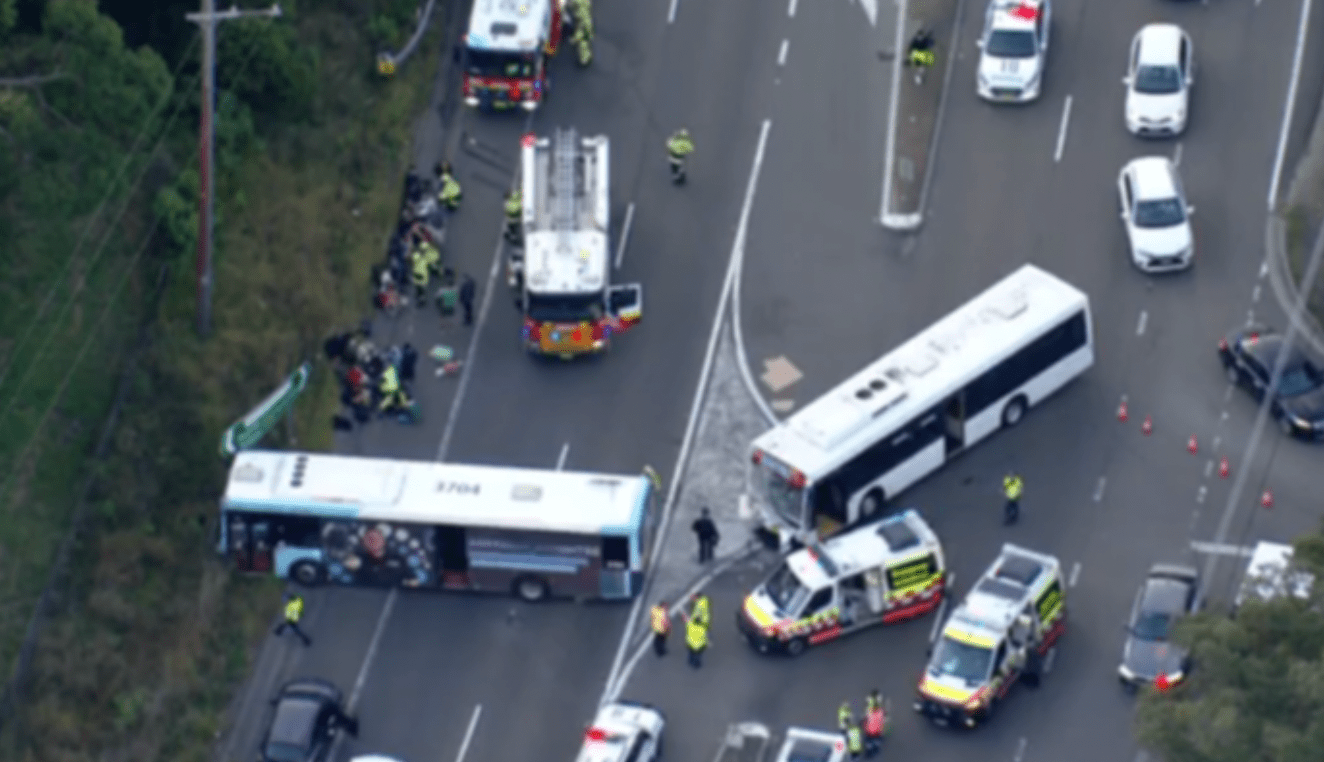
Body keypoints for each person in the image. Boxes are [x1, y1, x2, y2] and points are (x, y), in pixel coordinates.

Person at [863, 691, 886, 756]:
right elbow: (882, 721)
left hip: (870, 731)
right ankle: (876, 749)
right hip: (878, 731)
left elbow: (866, 720)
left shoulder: (869, 711)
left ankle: (869, 751)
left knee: (869, 742)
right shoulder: (881, 711)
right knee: (876, 741)